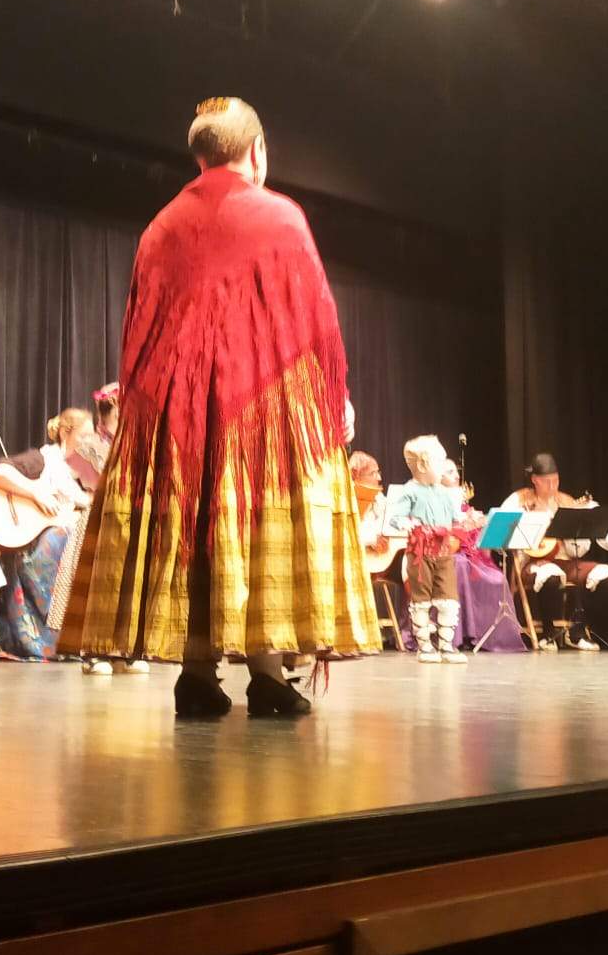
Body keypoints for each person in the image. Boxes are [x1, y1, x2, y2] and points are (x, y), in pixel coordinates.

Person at [57, 96, 380, 716]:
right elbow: (313, 321)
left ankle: (197, 674)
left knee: (193, 529)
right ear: (256, 152)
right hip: (261, 403)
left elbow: (138, 327)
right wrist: (330, 397)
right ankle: (265, 674)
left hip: (177, 409)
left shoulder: (160, 226)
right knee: (258, 524)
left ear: (200, 155)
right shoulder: (280, 216)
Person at [0, 408, 98, 665]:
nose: (89, 442)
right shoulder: (43, 460)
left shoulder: (85, 473)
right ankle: (55, 634)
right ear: (64, 433)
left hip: (67, 537)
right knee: (61, 537)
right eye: (84, 435)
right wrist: (35, 493)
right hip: (39, 544)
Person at [510, 453, 608, 650]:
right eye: (547, 482)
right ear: (535, 480)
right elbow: (505, 530)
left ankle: (578, 629)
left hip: (567, 560)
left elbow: (580, 547)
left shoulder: (567, 501)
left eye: (556, 480)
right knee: (551, 576)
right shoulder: (519, 499)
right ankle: (548, 632)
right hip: (532, 561)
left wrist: (569, 530)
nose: (553, 487)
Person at [386, 435, 473, 664]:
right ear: (423, 465)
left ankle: (446, 645)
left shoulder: (446, 493)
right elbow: (395, 517)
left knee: (448, 597)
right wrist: (406, 523)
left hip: (443, 553)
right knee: (421, 598)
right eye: (439, 461)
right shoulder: (410, 491)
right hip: (420, 553)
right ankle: (424, 645)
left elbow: (457, 518)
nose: (444, 466)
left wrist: (469, 520)